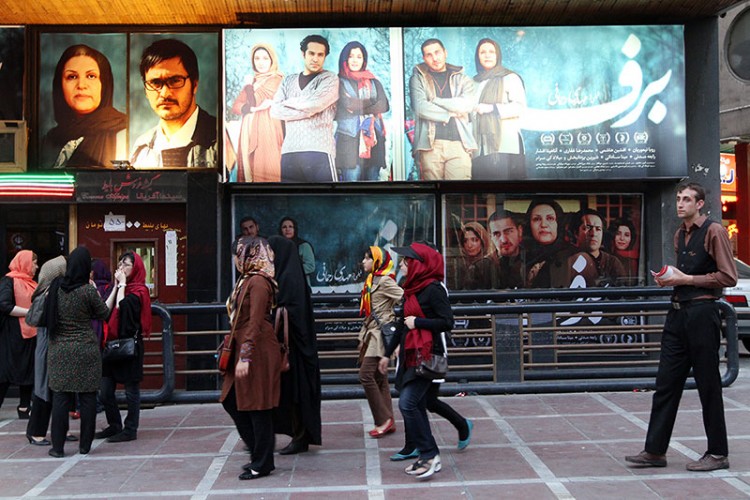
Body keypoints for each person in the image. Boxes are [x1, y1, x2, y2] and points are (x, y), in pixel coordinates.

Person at [625, 182, 738, 472]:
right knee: (665, 383)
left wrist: (686, 280)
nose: (680, 203)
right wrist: (669, 278)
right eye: (678, 198)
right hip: (677, 313)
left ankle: (718, 453)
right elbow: (685, 275)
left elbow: (729, 276)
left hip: (703, 313)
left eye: (687, 199)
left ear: (700, 204)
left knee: (708, 384)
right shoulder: (680, 233)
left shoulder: (714, 231)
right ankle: (655, 451)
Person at [378, 242, 456, 480]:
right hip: (410, 354)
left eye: (406, 261)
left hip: (427, 354)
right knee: (415, 405)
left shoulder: (433, 289)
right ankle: (428, 454)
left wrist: (419, 323)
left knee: (408, 404)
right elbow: (402, 324)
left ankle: (430, 454)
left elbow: (447, 321)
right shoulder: (410, 288)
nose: (402, 265)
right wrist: (386, 353)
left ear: (419, 264)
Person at [45, 246, 118, 458]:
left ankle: (58, 447)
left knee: (60, 398)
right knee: (87, 398)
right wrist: (114, 289)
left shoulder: (56, 288)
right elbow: (104, 313)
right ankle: (85, 446)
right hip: (86, 349)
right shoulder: (87, 291)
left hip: (59, 349)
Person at [220, 236, 281, 480]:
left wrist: (245, 355)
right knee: (231, 400)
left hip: (258, 350)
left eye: (238, 255)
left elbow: (255, 321)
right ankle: (259, 453)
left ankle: (262, 462)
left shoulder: (258, 282)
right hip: (245, 346)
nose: (236, 260)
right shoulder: (246, 279)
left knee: (258, 406)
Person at [267, 235, 322, 455]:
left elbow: (290, 312)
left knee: (296, 394)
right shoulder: (287, 275)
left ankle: (300, 437)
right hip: (293, 348)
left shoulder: (289, 279)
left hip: (295, 351)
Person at [130, 38, 217, 168]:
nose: (165, 93)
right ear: (145, 90)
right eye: (155, 83)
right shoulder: (141, 149)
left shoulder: (223, 140)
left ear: (194, 84)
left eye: (175, 81)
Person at [96, 251, 152, 444]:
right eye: (120, 264)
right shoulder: (120, 288)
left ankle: (130, 429)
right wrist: (116, 286)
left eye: (126, 264)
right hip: (112, 344)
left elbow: (122, 307)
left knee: (131, 390)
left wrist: (122, 285)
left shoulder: (139, 291)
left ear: (135, 268)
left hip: (129, 346)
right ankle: (114, 424)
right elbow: (106, 309)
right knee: (105, 390)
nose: (121, 268)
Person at [41, 44, 126, 168]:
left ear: (105, 84)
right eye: (72, 77)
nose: (81, 85)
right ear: (60, 85)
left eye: (91, 76)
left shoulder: (124, 133)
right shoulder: (49, 140)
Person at [271, 34, 339, 182]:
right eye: (311, 53)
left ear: (325, 57)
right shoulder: (288, 80)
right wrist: (308, 111)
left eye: (320, 55)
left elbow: (316, 104)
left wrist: (288, 102)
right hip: (290, 151)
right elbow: (275, 110)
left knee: (327, 196)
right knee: (290, 197)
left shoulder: (330, 79)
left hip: (319, 150)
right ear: (303, 54)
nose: (315, 59)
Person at [410, 38, 476, 180]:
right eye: (429, 55)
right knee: (433, 191)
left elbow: (467, 105)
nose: (435, 58)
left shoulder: (462, 78)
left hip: (459, 143)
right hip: (430, 145)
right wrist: (450, 113)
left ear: (445, 53)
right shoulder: (418, 79)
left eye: (437, 52)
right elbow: (420, 107)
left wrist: (435, 101)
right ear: (424, 58)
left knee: (458, 191)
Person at [358, 246, 403, 437]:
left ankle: (384, 419)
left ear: (377, 261)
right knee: (379, 377)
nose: (364, 261)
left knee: (365, 375)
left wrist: (394, 320)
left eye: (368, 258)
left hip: (380, 334)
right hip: (371, 333)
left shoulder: (385, 281)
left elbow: (404, 298)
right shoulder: (371, 279)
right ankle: (387, 419)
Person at [25, 255, 67, 446]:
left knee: (56, 389)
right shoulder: (44, 295)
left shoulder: (53, 292)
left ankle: (61, 429)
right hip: (46, 346)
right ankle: (36, 432)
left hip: (52, 345)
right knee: (43, 387)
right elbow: (34, 320)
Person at [471, 38, 526, 180]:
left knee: (504, 189)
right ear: (478, 57)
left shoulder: (510, 78)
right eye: (483, 52)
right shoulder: (473, 82)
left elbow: (520, 107)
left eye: (491, 52)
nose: (487, 55)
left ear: (498, 55)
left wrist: (492, 108)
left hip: (506, 146)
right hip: (479, 148)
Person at [335, 41, 389, 182]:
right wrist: (372, 102)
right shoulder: (338, 82)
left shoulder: (374, 81)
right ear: (345, 59)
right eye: (351, 56)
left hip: (374, 142)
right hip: (349, 143)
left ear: (364, 60)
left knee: (372, 188)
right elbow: (348, 104)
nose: (355, 60)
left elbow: (384, 105)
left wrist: (357, 106)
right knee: (351, 186)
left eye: (359, 57)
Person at [231, 44, 284, 182]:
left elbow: (254, 101)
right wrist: (252, 109)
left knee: (265, 164)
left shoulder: (276, 79)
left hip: (266, 127)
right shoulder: (254, 81)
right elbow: (236, 106)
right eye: (257, 58)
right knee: (248, 169)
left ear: (272, 60)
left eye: (265, 58)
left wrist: (249, 88)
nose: (261, 62)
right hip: (247, 129)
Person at [0, 250, 38, 419]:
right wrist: (29, 312)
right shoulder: (8, 281)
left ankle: (24, 407)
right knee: (5, 373)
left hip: (30, 334)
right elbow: (4, 305)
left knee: (28, 372)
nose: (36, 266)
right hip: (12, 335)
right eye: (34, 263)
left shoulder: (32, 283)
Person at [524, 199, 577, 288]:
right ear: (529, 225)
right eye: (537, 219)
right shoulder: (522, 258)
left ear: (558, 223)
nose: (543, 224)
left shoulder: (574, 257)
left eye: (550, 218)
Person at [569, 208, 626, 287]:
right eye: (588, 228)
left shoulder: (612, 262)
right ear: (576, 233)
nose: (593, 233)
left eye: (598, 229)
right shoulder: (568, 260)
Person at [448, 222, 493, 290]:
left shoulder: (487, 263)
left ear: (483, 241)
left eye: (474, 240)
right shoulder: (460, 263)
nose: (469, 245)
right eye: (465, 241)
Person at [488, 210, 526, 289]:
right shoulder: (483, 267)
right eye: (496, 234)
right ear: (491, 237)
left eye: (508, 231)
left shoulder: (533, 262)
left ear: (520, 231)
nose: (504, 240)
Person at [279, 217, 316, 286]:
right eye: (284, 227)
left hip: (300, 285)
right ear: (280, 230)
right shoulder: (277, 247)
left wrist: (291, 270)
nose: (287, 229)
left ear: (295, 229)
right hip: (282, 285)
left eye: (290, 227)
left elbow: (310, 266)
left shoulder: (304, 246)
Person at [607, 217, 639, 285]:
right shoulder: (607, 258)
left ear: (631, 238)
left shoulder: (637, 259)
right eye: (618, 234)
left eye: (626, 235)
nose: (622, 238)